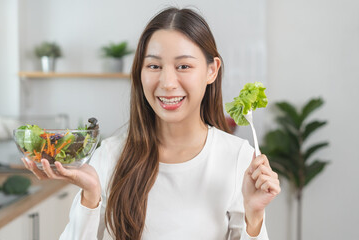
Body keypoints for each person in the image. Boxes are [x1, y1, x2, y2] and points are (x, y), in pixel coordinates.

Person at [22, 7, 280, 240]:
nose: (167, 83)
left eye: (183, 66)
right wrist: (90, 196)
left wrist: (254, 217)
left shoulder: (238, 158)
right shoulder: (110, 156)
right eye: (154, 65)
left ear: (212, 70)